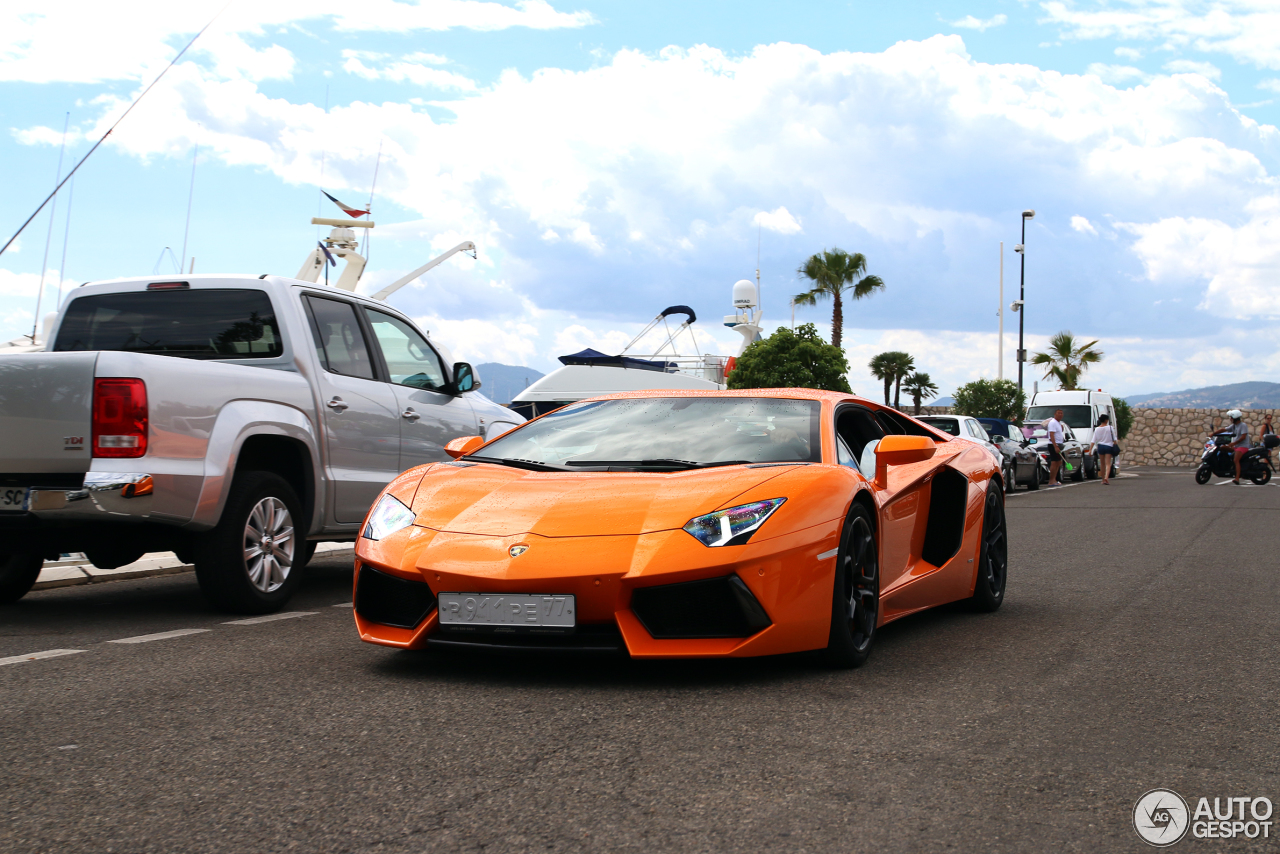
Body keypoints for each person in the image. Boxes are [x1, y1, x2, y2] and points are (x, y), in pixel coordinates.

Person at [1088, 413, 1119, 485]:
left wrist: (1090, 450)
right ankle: (1106, 477)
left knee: (1102, 464)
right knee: (1108, 463)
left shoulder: (1097, 429)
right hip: (1109, 446)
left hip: (1100, 446)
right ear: (1106, 420)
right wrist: (1116, 445)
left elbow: (1093, 440)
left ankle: (1102, 479)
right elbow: (1114, 439)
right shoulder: (1110, 428)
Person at [1224, 409, 1249, 484]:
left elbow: (1243, 437)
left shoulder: (1243, 425)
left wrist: (1233, 443)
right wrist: (1214, 433)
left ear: (1235, 418)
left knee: (1236, 460)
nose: (1230, 419)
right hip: (1236, 446)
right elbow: (1224, 429)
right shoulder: (1234, 426)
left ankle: (1237, 478)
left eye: (1231, 417)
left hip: (1242, 446)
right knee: (1222, 448)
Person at [1045, 408, 1066, 486]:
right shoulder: (1053, 422)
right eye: (1058, 413)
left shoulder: (1058, 423)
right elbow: (1051, 435)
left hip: (1059, 444)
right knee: (1054, 462)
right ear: (1055, 414)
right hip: (1054, 444)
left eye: (1061, 413)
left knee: (1059, 462)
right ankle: (1051, 480)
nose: (1060, 414)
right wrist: (1055, 446)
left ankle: (1054, 479)